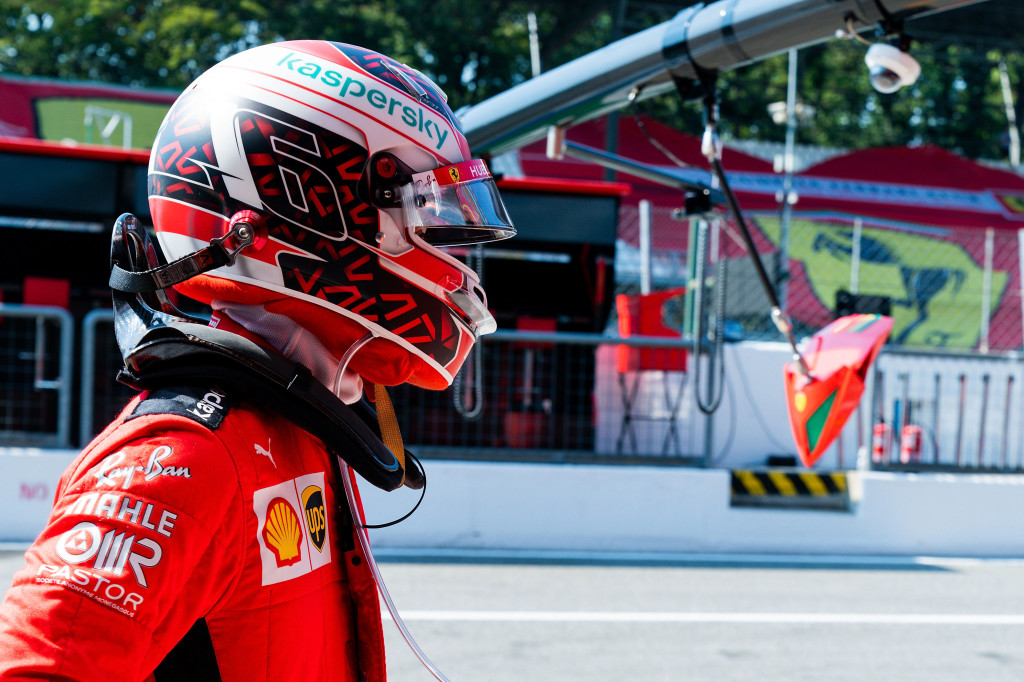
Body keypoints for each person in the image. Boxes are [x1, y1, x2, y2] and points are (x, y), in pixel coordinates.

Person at [0, 39, 515, 681]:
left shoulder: (305, 415)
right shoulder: (186, 456)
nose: (455, 261)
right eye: (426, 220)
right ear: (302, 214)